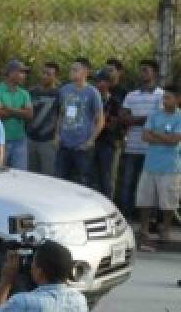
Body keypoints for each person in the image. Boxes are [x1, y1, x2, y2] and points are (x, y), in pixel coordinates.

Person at [136, 84, 181, 251]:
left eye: (168, 97)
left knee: (168, 202)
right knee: (145, 199)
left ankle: (165, 230)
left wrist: (156, 134)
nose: (165, 100)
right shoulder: (154, 115)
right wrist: (164, 137)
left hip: (170, 166)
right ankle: (144, 229)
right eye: (164, 97)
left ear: (178, 99)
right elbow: (144, 136)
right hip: (150, 164)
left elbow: (174, 140)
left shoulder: (180, 117)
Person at [119, 60, 164, 217]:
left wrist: (133, 119)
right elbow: (122, 117)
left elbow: (158, 118)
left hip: (151, 148)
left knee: (150, 186)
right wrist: (144, 119)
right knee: (127, 184)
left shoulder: (162, 95)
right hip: (132, 146)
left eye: (145, 70)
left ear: (155, 73)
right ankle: (126, 216)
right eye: (141, 70)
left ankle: (149, 219)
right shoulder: (131, 95)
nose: (142, 73)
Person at [55, 57, 104, 184]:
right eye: (71, 69)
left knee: (82, 181)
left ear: (85, 72)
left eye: (75, 69)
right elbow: (61, 114)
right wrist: (57, 135)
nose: (71, 72)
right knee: (60, 179)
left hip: (82, 147)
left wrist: (90, 141)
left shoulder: (93, 93)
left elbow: (100, 120)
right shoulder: (64, 90)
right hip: (64, 144)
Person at [0, 60, 33, 170]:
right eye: (21, 72)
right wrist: (20, 112)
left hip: (20, 139)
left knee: (21, 174)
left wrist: (8, 108)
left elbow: (29, 115)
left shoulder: (24, 93)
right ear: (11, 73)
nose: (24, 75)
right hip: (1, 140)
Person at [92, 69, 124, 198]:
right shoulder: (91, 99)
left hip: (107, 144)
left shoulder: (115, 102)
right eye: (97, 81)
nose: (98, 84)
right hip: (92, 142)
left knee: (107, 177)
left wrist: (100, 120)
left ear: (109, 83)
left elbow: (112, 125)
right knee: (91, 176)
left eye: (102, 81)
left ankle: (108, 207)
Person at [26, 63, 61, 175]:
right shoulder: (31, 91)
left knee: (48, 177)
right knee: (29, 176)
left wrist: (57, 136)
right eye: (43, 73)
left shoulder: (59, 94)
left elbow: (62, 116)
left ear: (55, 77)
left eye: (49, 74)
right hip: (29, 139)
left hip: (48, 141)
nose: (44, 76)